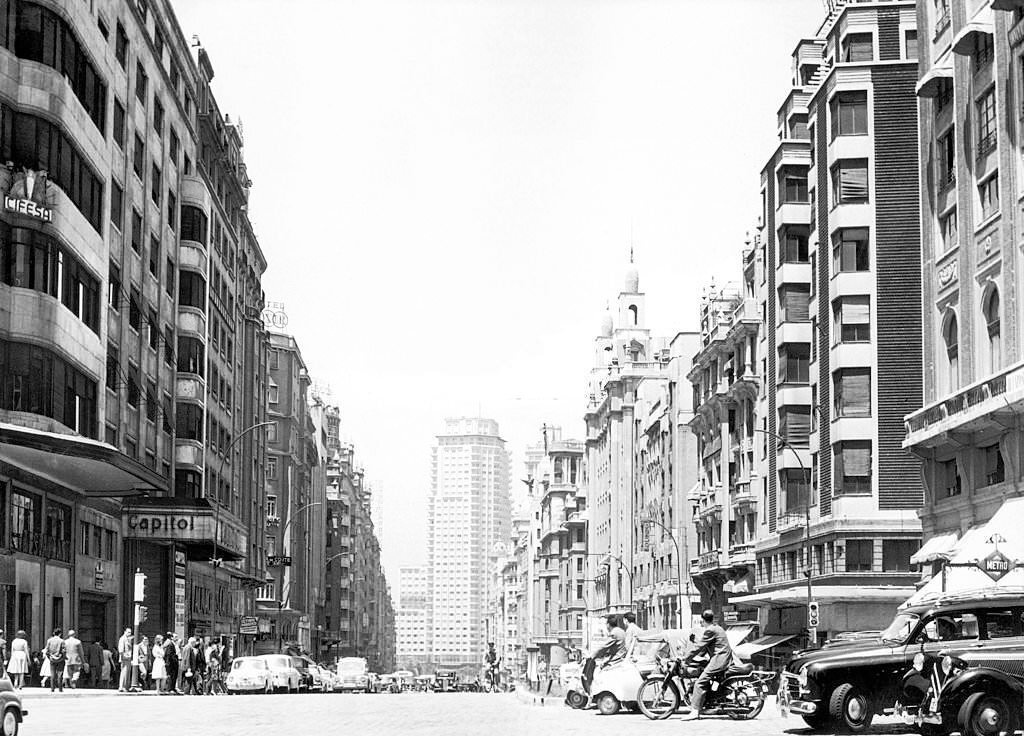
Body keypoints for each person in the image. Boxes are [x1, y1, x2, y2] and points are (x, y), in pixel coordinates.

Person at [680, 610, 734, 721]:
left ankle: (695, 711)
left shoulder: (710, 630)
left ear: (703, 620)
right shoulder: (718, 628)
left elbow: (699, 647)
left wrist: (685, 658)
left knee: (699, 682)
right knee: (704, 674)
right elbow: (705, 646)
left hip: (720, 659)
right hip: (722, 658)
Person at [43, 628, 66, 692]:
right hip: (60, 659)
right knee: (60, 674)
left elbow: (46, 650)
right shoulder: (62, 641)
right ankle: (60, 688)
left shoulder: (49, 640)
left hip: (52, 659)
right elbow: (64, 651)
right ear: (60, 634)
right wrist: (64, 657)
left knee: (52, 674)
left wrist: (49, 657)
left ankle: (52, 688)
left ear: (53, 633)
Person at [117, 628, 133, 692]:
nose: (129, 633)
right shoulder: (122, 639)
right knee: (124, 672)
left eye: (130, 632)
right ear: (125, 632)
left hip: (128, 658)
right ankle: (121, 686)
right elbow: (121, 649)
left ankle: (126, 686)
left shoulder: (128, 639)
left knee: (127, 673)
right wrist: (123, 657)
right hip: (125, 658)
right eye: (128, 632)